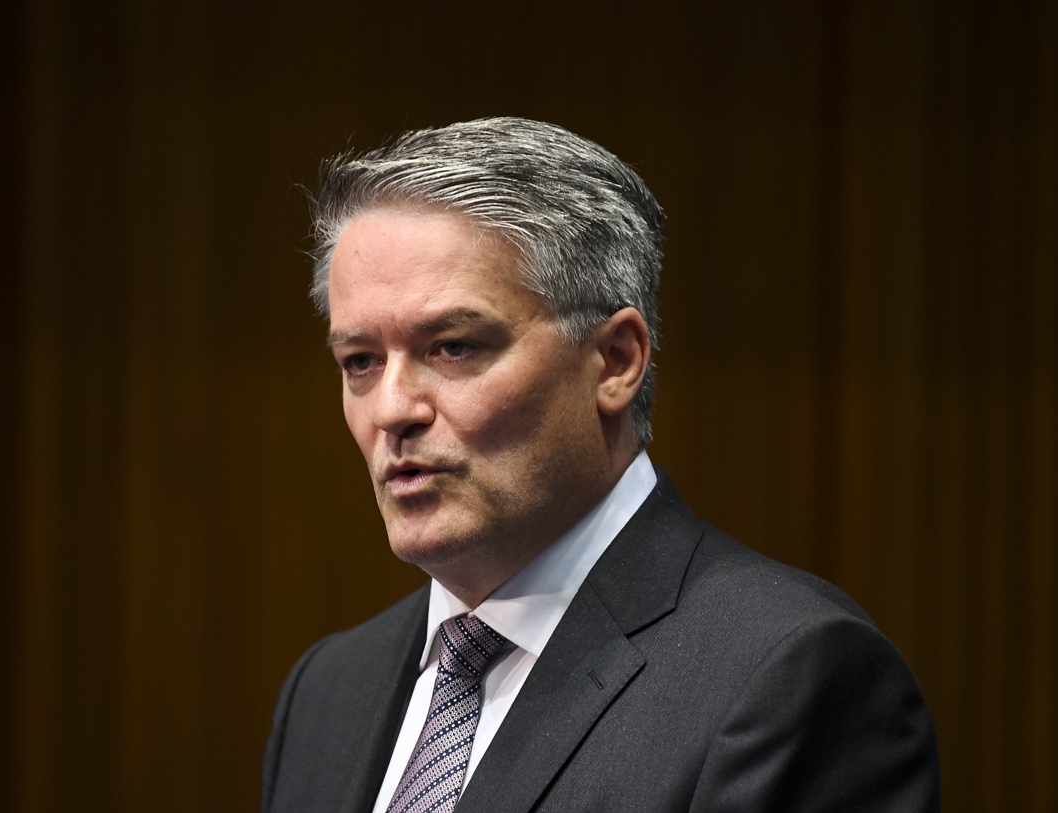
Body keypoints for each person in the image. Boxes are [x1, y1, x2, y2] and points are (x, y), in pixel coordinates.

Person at [262, 117, 940, 813]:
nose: (392, 408)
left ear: (614, 361)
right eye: (360, 361)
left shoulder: (789, 676)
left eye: (454, 346)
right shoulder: (328, 691)